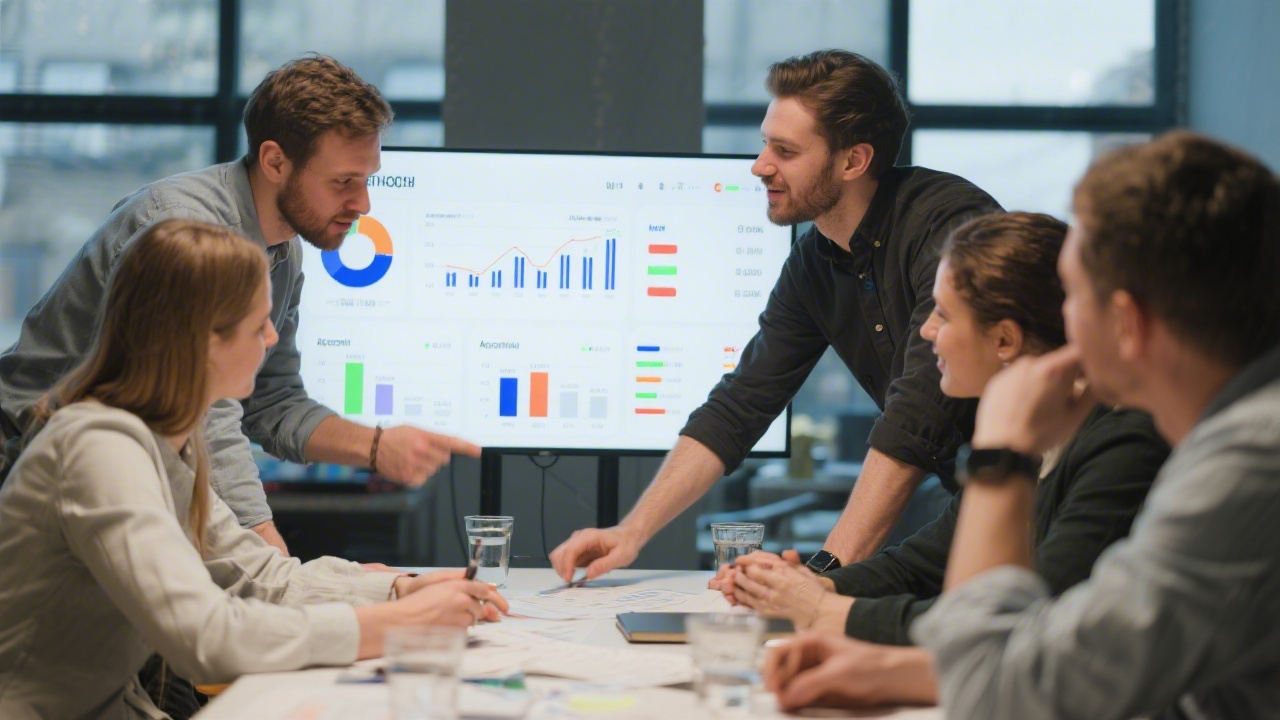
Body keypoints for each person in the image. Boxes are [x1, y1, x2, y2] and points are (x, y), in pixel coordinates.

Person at [767, 132, 1280, 718]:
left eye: (1074, 299)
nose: (1059, 319)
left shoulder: (1244, 463)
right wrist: (891, 670)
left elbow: (997, 692)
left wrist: (1001, 459)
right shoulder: (1236, 436)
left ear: (1126, 323)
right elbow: (1086, 665)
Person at [0, 220, 508, 720]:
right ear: (200, 341)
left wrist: (397, 590)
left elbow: (263, 578)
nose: (270, 338)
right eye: (257, 324)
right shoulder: (99, 450)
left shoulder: (164, 443)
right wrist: (397, 623)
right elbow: (205, 637)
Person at [551, 49, 1001, 583]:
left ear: (853, 161)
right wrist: (633, 531)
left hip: (1050, 487)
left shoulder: (946, 227)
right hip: (977, 498)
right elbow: (741, 403)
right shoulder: (816, 259)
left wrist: (823, 576)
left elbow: (918, 417)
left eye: (785, 151)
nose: (760, 165)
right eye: (766, 143)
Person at [0, 54, 479, 555]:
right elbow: (208, 414)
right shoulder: (186, 232)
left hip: (115, 474)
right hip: (28, 468)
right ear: (274, 161)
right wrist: (277, 563)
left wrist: (377, 447)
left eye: (367, 179)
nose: (363, 204)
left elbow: (271, 402)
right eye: (343, 182)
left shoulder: (282, 248)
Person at [720, 212, 1167, 651]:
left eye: (944, 315)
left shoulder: (1121, 444)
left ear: (1005, 341)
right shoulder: (1038, 430)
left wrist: (821, 609)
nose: (927, 331)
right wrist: (804, 584)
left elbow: (1016, 625)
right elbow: (917, 567)